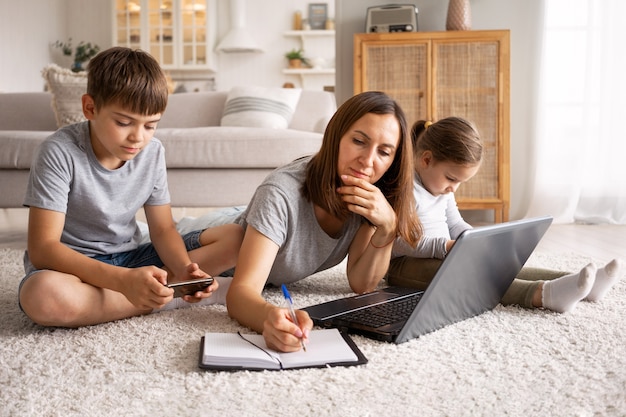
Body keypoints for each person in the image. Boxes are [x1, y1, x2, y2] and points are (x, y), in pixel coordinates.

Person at [18, 47, 243, 327]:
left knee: (237, 238)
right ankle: (165, 297)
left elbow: (162, 229)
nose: (138, 137)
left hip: (132, 257)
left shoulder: (153, 152)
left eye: (151, 125)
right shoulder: (58, 152)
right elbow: (43, 249)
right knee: (43, 297)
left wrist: (184, 271)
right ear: (90, 108)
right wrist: (122, 281)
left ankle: (155, 292)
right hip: (74, 267)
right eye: (124, 122)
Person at [219, 91, 422, 352]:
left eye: (384, 152)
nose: (368, 160)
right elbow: (239, 293)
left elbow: (362, 283)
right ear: (335, 136)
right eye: (359, 141)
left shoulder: (367, 196)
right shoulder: (280, 192)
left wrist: (388, 227)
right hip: (215, 236)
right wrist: (269, 317)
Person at [388, 117, 623, 313]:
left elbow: (455, 222)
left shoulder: (442, 188)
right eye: (451, 178)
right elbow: (397, 243)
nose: (454, 188)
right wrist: (445, 247)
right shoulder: (404, 190)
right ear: (426, 159)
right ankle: (543, 294)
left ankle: (579, 281)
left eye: (460, 182)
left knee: (503, 263)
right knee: (475, 276)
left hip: (445, 253)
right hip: (406, 267)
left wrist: (474, 239)